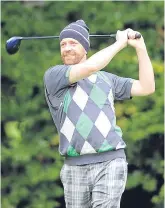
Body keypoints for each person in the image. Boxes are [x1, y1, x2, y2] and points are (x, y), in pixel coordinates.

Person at [43, 20, 155, 208]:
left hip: (111, 161)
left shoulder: (107, 80)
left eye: (73, 43)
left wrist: (140, 48)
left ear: (85, 47)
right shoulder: (54, 77)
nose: (67, 48)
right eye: (63, 44)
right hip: (74, 167)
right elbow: (89, 68)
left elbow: (147, 87)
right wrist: (119, 43)